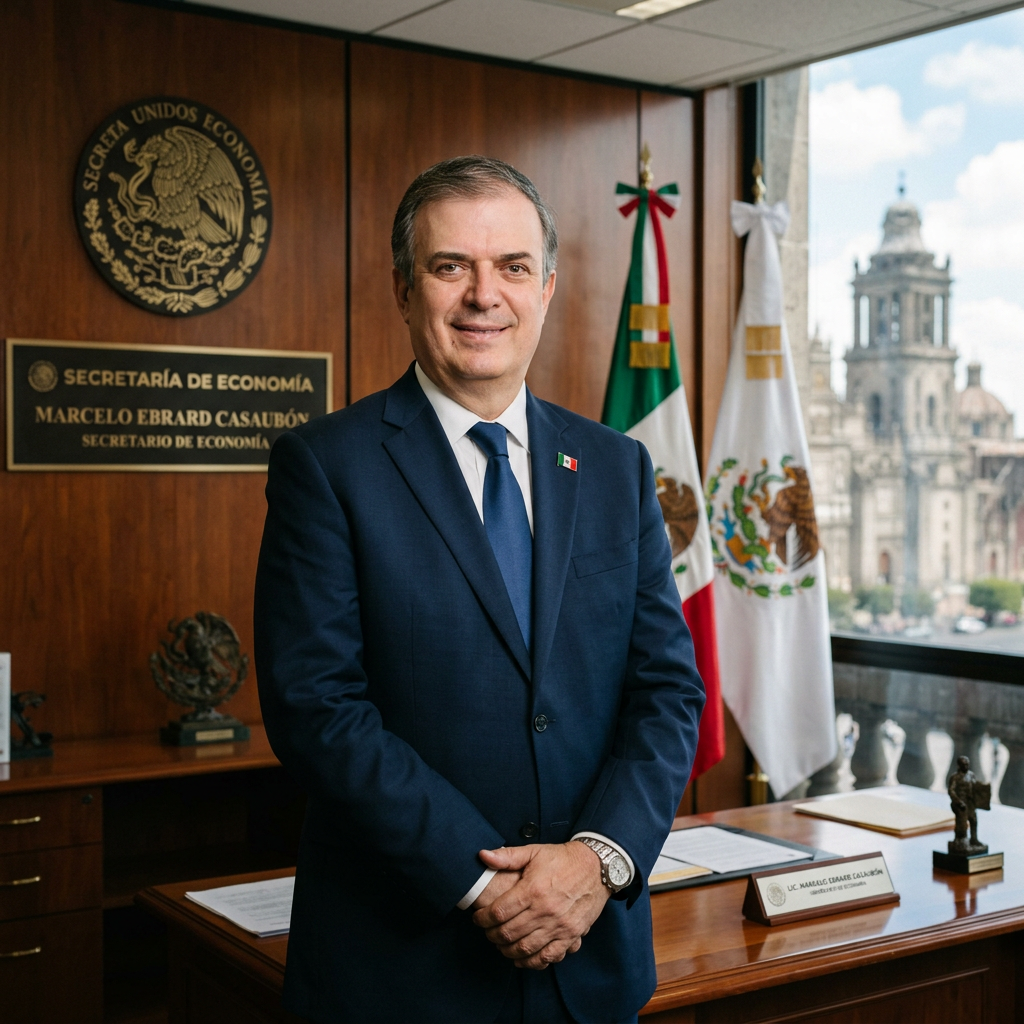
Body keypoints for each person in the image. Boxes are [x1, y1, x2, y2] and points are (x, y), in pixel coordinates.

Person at [254, 155, 705, 1024]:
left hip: (590, 962)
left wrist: (597, 861)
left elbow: (666, 690)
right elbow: (319, 709)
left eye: (513, 267)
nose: (482, 295)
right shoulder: (327, 467)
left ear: (547, 288)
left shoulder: (616, 466)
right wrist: (486, 886)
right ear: (403, 287)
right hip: (403, 969)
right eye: (449, 265)